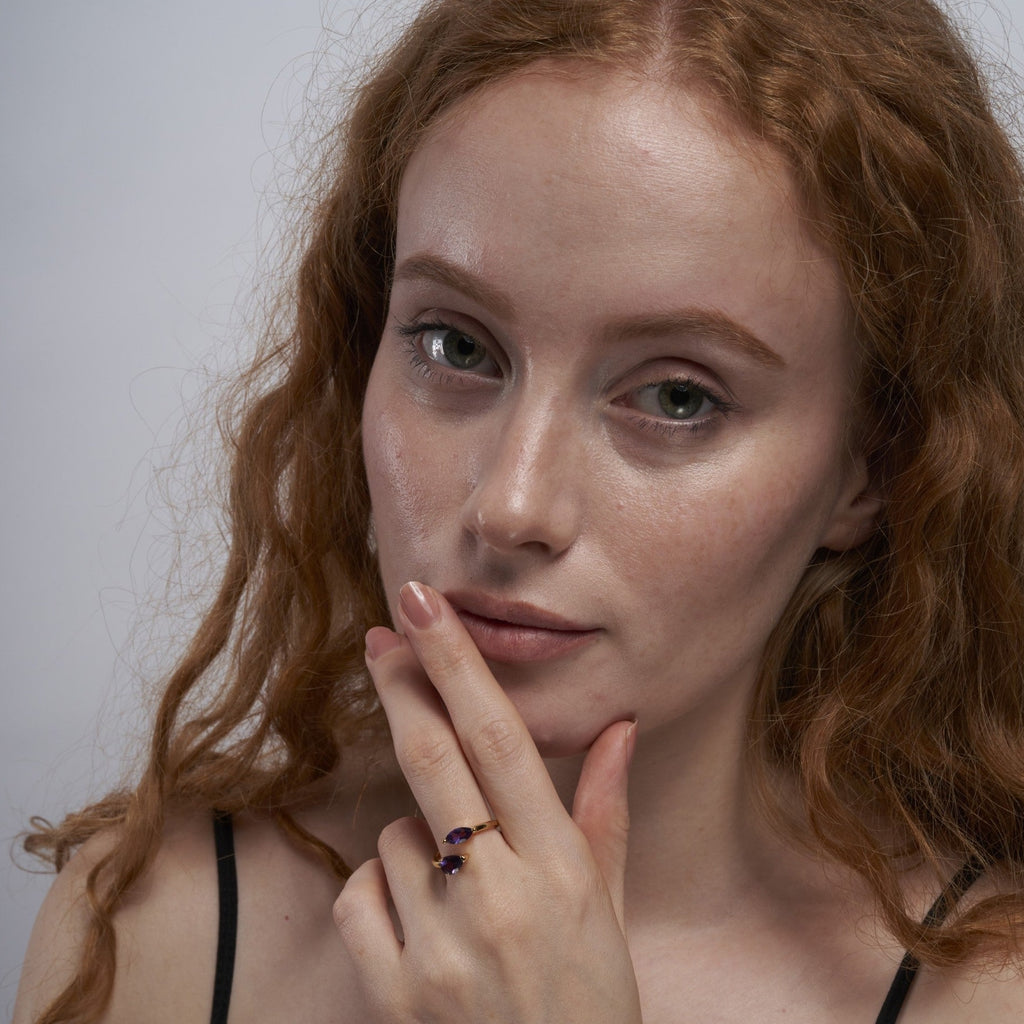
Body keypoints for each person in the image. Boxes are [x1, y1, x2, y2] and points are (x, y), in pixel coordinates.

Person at [14, 0, 1024, 1020]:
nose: (510, 504)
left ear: (869, 470)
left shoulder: (986, 991)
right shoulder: (148, 924)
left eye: (678, 397)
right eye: (454, 346)